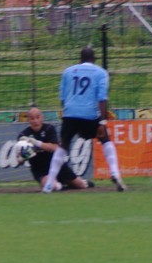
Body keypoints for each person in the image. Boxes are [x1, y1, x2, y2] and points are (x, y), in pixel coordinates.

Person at [43, 46, 125, 193]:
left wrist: (67, 115)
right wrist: (102, 122)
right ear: (94, 59)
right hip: (90, 114)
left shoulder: (67, 72)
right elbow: (102, 99)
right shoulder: (101, 73)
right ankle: (115, 173)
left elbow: (62, 98)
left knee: (63, 146)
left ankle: (49, 184)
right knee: (105, 140)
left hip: (70, 114)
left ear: (80, 59)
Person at [18, 107, 93, 191]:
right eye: (32, 118)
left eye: (37, 117)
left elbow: (55, 148)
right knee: (52, 186)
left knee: (81, 185)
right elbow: (19, 160)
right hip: (40, 170)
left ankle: (80, 182)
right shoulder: (23, 135)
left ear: (42, 117)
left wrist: (36, 143)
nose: (35, 121)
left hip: (57, 165)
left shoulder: (49, 129)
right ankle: (60, 185)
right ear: (28, 120)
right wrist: (23, 157)